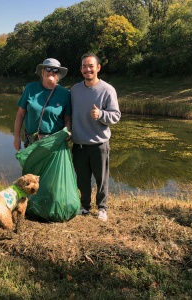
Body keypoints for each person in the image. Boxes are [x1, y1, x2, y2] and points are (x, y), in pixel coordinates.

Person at [70, 52, 121, 222]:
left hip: (99, 143)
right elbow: (68, 114)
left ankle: (102, 208)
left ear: (98, 68)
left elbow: (115, 116)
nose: (87, 69)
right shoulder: (75, 90)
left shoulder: (107, 90)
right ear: (81, 69)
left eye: (91, 66)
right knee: (82, 178)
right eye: (84, 66)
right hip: (78, 144)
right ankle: (84, 206)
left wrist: (100, 114)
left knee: (101, 178)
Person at [14, 58, 71, 150]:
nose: (51, 72)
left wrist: (67, 131)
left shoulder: (65, 94)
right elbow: (20, 114)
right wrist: (16, 137)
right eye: (48, 68)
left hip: (54, 144)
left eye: (55, 70)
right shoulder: (30, 88)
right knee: (31, 165)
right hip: (31, 142)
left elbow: (68, 119)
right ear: (43, 71)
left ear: (58, 74)